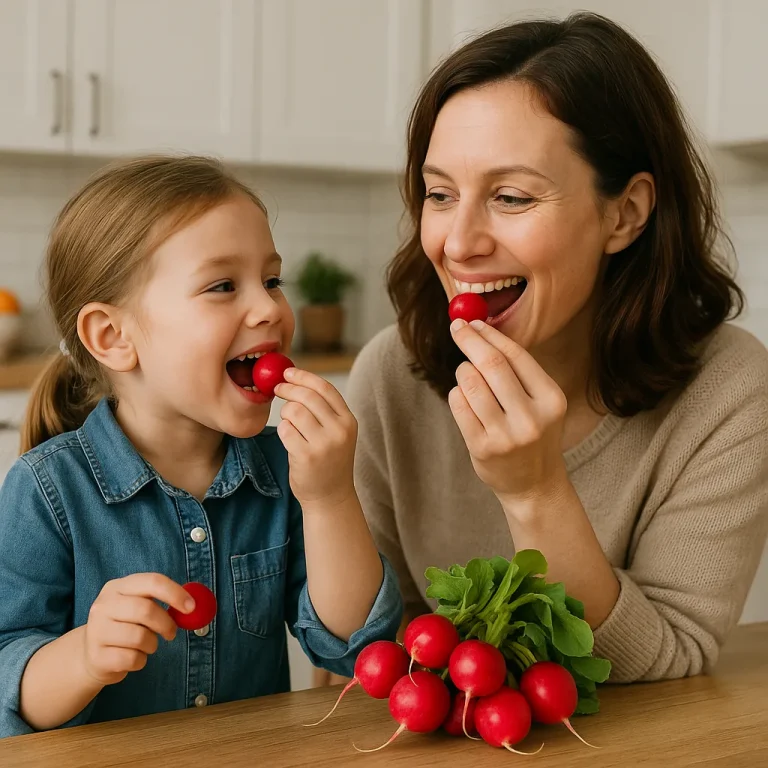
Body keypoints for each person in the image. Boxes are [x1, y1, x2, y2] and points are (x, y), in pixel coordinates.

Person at [344, 12, 768, 685]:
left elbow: (674, 658)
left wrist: (536, 491)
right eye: (440, 194)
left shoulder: (729, 385)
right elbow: (364, 655)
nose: (458, 243)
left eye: (510, 196)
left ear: (624, 214)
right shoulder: (390, 376)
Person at [0, 155, 402, 738]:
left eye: (271, 280)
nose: (269, 309)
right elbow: (8, 675)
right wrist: (83, 656)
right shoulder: (47, 491)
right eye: (222, 286)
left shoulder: (285, 470)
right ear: (113, 338)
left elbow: (351, 649)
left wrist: (331, 497)